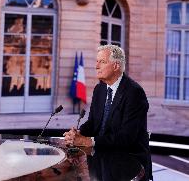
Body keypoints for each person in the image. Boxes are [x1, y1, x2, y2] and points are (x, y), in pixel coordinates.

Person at [64, 44, 152, 180]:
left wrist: (89, 141)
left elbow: (126, 137)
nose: (96, 66)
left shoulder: (134, 93)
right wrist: (79, 133)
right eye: (97, 61)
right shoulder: (99, 89)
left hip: (128, 161)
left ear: (116, 66)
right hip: (101, 156)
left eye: (102, 62)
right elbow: (93, 122)